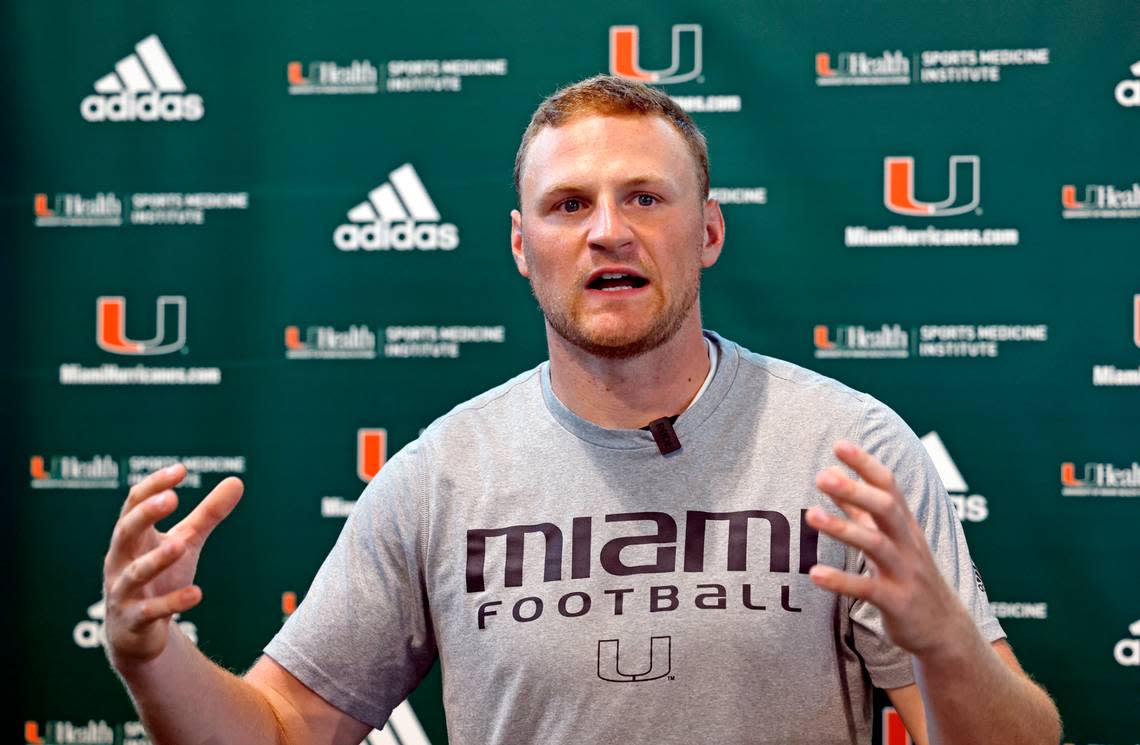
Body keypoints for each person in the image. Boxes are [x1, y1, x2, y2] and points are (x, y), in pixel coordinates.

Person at [102, 75, 1061, 745]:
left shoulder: (845, 450)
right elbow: (276, 732)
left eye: (645, 195)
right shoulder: (442, 475)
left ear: (711, 230)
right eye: (568, 206)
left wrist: (942, 643)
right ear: (522, 247)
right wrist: (150, 657)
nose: (609, 229)